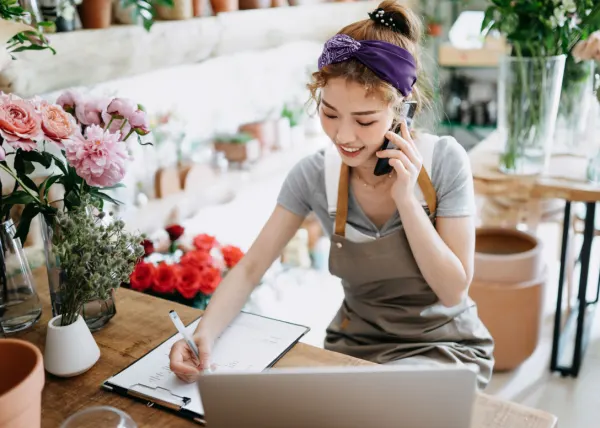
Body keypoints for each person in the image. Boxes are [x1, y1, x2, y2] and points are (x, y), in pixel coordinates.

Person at [169, 0, 495, 390]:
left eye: (365, 120)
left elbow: (452, 289)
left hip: (444, 350)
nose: (343, 135)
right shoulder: (313, 176)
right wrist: (202, 335)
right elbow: (251, 268)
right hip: (355, 351)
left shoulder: (444, 162)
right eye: (329, 112)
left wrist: (408, 200)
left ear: (401, 111)